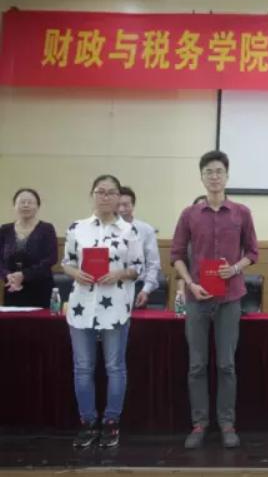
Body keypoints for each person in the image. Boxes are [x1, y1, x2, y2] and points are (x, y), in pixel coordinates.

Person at [171, 150, 259, 449]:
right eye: (208, 171)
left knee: (226, 364)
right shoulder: (189, 214)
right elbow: (177, 255)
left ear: (227, 176)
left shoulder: (241, 212)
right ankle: (199, 423)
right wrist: (190, 284)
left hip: (230, 297)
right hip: (197, 297)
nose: (214, 176)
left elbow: (253, 252)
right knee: (197, 365)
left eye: (219, 171)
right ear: (201, 177)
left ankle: (226, 423)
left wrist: (234, 269)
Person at [61, 175, 143, 449]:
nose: (105, 197)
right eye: (100, 191)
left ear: (118, 197)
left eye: (111, 192)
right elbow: (67, 263)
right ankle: (87, 422)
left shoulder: (129, 230)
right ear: (92, 195)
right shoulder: (77, 228)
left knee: (114, 366)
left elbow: (138, 268)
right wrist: (75, 273)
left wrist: (119, 273)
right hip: (82, 305)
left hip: (115, 307)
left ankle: (111, 422)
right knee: (83, 367)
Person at [0, 188, 58, 308]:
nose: (26, 205)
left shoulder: (47, 229)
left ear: (37, 206)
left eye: (30, 202)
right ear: (14, 206)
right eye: (22, 202)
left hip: (41, 288)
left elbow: (51, 258)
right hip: (12, 288)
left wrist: (24, 275)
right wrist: (7, 275)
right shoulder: (5, 230)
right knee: (13, 320)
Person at [117, 186, 161, 309]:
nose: (121, 209)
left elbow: (153, 264)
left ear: (133, 205)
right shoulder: (105, 229)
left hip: (137, 287)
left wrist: (146, 290)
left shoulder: (146, 230)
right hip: (110, 287)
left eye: (125, 205)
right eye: (118, 205)